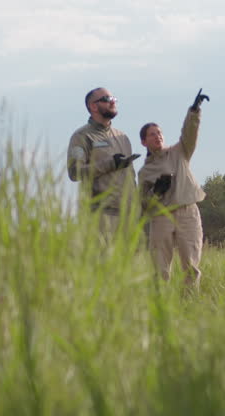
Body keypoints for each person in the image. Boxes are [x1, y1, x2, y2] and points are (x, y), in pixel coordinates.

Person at [137, 88, 210, 288]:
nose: (157, 136)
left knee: (191, 266)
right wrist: (156, 192)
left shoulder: (180, 152)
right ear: (143, 141)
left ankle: (190, 305)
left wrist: (194, 111)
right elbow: (143, 204)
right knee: (160, 269)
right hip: (161, 217)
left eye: (159, 133)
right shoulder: (144, 172)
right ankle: (161, 308)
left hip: (188, 212)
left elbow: (189, 133)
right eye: (152, 135)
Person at [67, 86, 140, 240]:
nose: (113, 102)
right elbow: (75, 172)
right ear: (93, 106)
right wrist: (110, 163)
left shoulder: (122, 137)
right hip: (101, 216)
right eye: (107, 99)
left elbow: (130, 176)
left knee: (128, 264)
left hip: (128, 216)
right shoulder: (82, 136)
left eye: (114, 99)